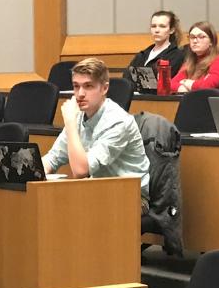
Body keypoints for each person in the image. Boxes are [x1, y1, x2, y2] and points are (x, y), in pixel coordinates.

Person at [42, 58, 150, 211]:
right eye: (76, 86)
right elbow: (52, 159)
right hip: (96, 191)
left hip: (131, 197)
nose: (80, 94)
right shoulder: (78, 115)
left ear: (104, 88)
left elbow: (80, 171)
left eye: (88, 86)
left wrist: (70, 124)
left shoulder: (118, 121)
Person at [171, 22, 219, 94]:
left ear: (211, 41)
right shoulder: (190, 61)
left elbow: (207, 87)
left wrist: (188, 83)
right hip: (195, 101)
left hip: (218, 103)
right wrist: (181, 88)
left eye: (201, 37)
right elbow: (171, 84)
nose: (195, 41)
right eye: (192, 37)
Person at [128, 10, 185, 77]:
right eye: (153, 26)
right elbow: (127, 75)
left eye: (162, 26)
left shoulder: (176, 55)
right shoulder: (142, 55)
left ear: (172, 30)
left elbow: (163, 80)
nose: (157, 30)